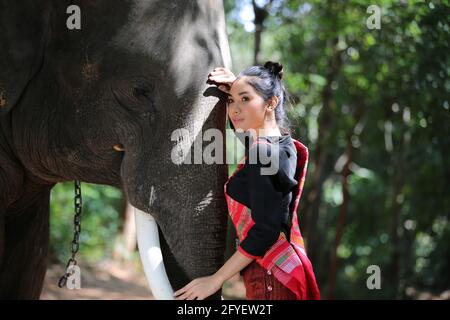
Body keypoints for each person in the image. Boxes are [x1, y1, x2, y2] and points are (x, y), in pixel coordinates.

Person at [174, 61, 320, 300]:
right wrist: (239, 88)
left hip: (271, 278)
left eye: (245, 99)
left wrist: (215, 280)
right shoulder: (281, 146)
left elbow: (266, 230)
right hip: (281, 273)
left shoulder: (264, 153)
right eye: (231, 101)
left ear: (271, 103)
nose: (234, 109)